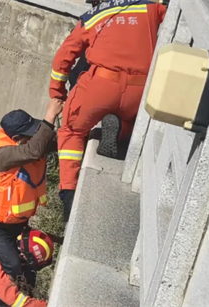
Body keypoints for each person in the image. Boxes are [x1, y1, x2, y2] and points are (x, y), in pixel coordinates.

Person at [49, 0, 167, 222]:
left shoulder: (92, 16)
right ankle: (121, 128)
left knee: (72, 130)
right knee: (133, 122)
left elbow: (63, 57)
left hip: (101, 85)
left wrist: (57, 91)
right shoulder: (150, 6)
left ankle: (69, 192)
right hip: (140, 88)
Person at [0, 98, 63, 283]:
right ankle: (1, 300)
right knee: (11, 265)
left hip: (14, 222)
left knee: (30, 261)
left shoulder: (22, 145)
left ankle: (23, 290)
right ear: (17, 139)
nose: (34, 135)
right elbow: (33, 151)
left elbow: (47, 143)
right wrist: (50, 116)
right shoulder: (1, 155)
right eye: (29, 134)